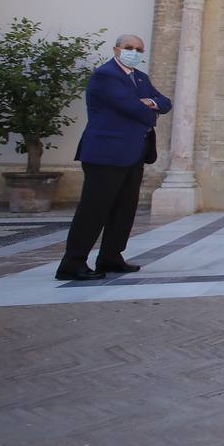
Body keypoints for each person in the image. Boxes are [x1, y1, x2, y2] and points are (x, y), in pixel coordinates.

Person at [55, 35, 171, 281]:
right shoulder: (106, 75)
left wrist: (150, 102)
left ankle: (111, 256)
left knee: (124, 209)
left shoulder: (140, 77)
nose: (134, 52)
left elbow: (165, 102)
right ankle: (72, 262)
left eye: (139, 49)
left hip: (134, 152)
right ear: (117, 49)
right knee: (94, 208)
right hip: (106, 153)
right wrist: (150, 110)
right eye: (129, 48)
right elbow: (130, 107)